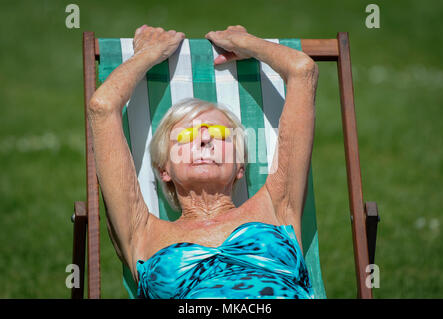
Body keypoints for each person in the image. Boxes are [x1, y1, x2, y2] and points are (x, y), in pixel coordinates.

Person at [87, 25, 318, 299]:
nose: (204, 140)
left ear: (240, 166)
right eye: (185, 137)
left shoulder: (277, 205)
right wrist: (148, 54)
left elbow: (302, 70)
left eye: (220, 134)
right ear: (164, 170)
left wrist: (246, 43)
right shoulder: (142, 231)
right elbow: (102, 107)